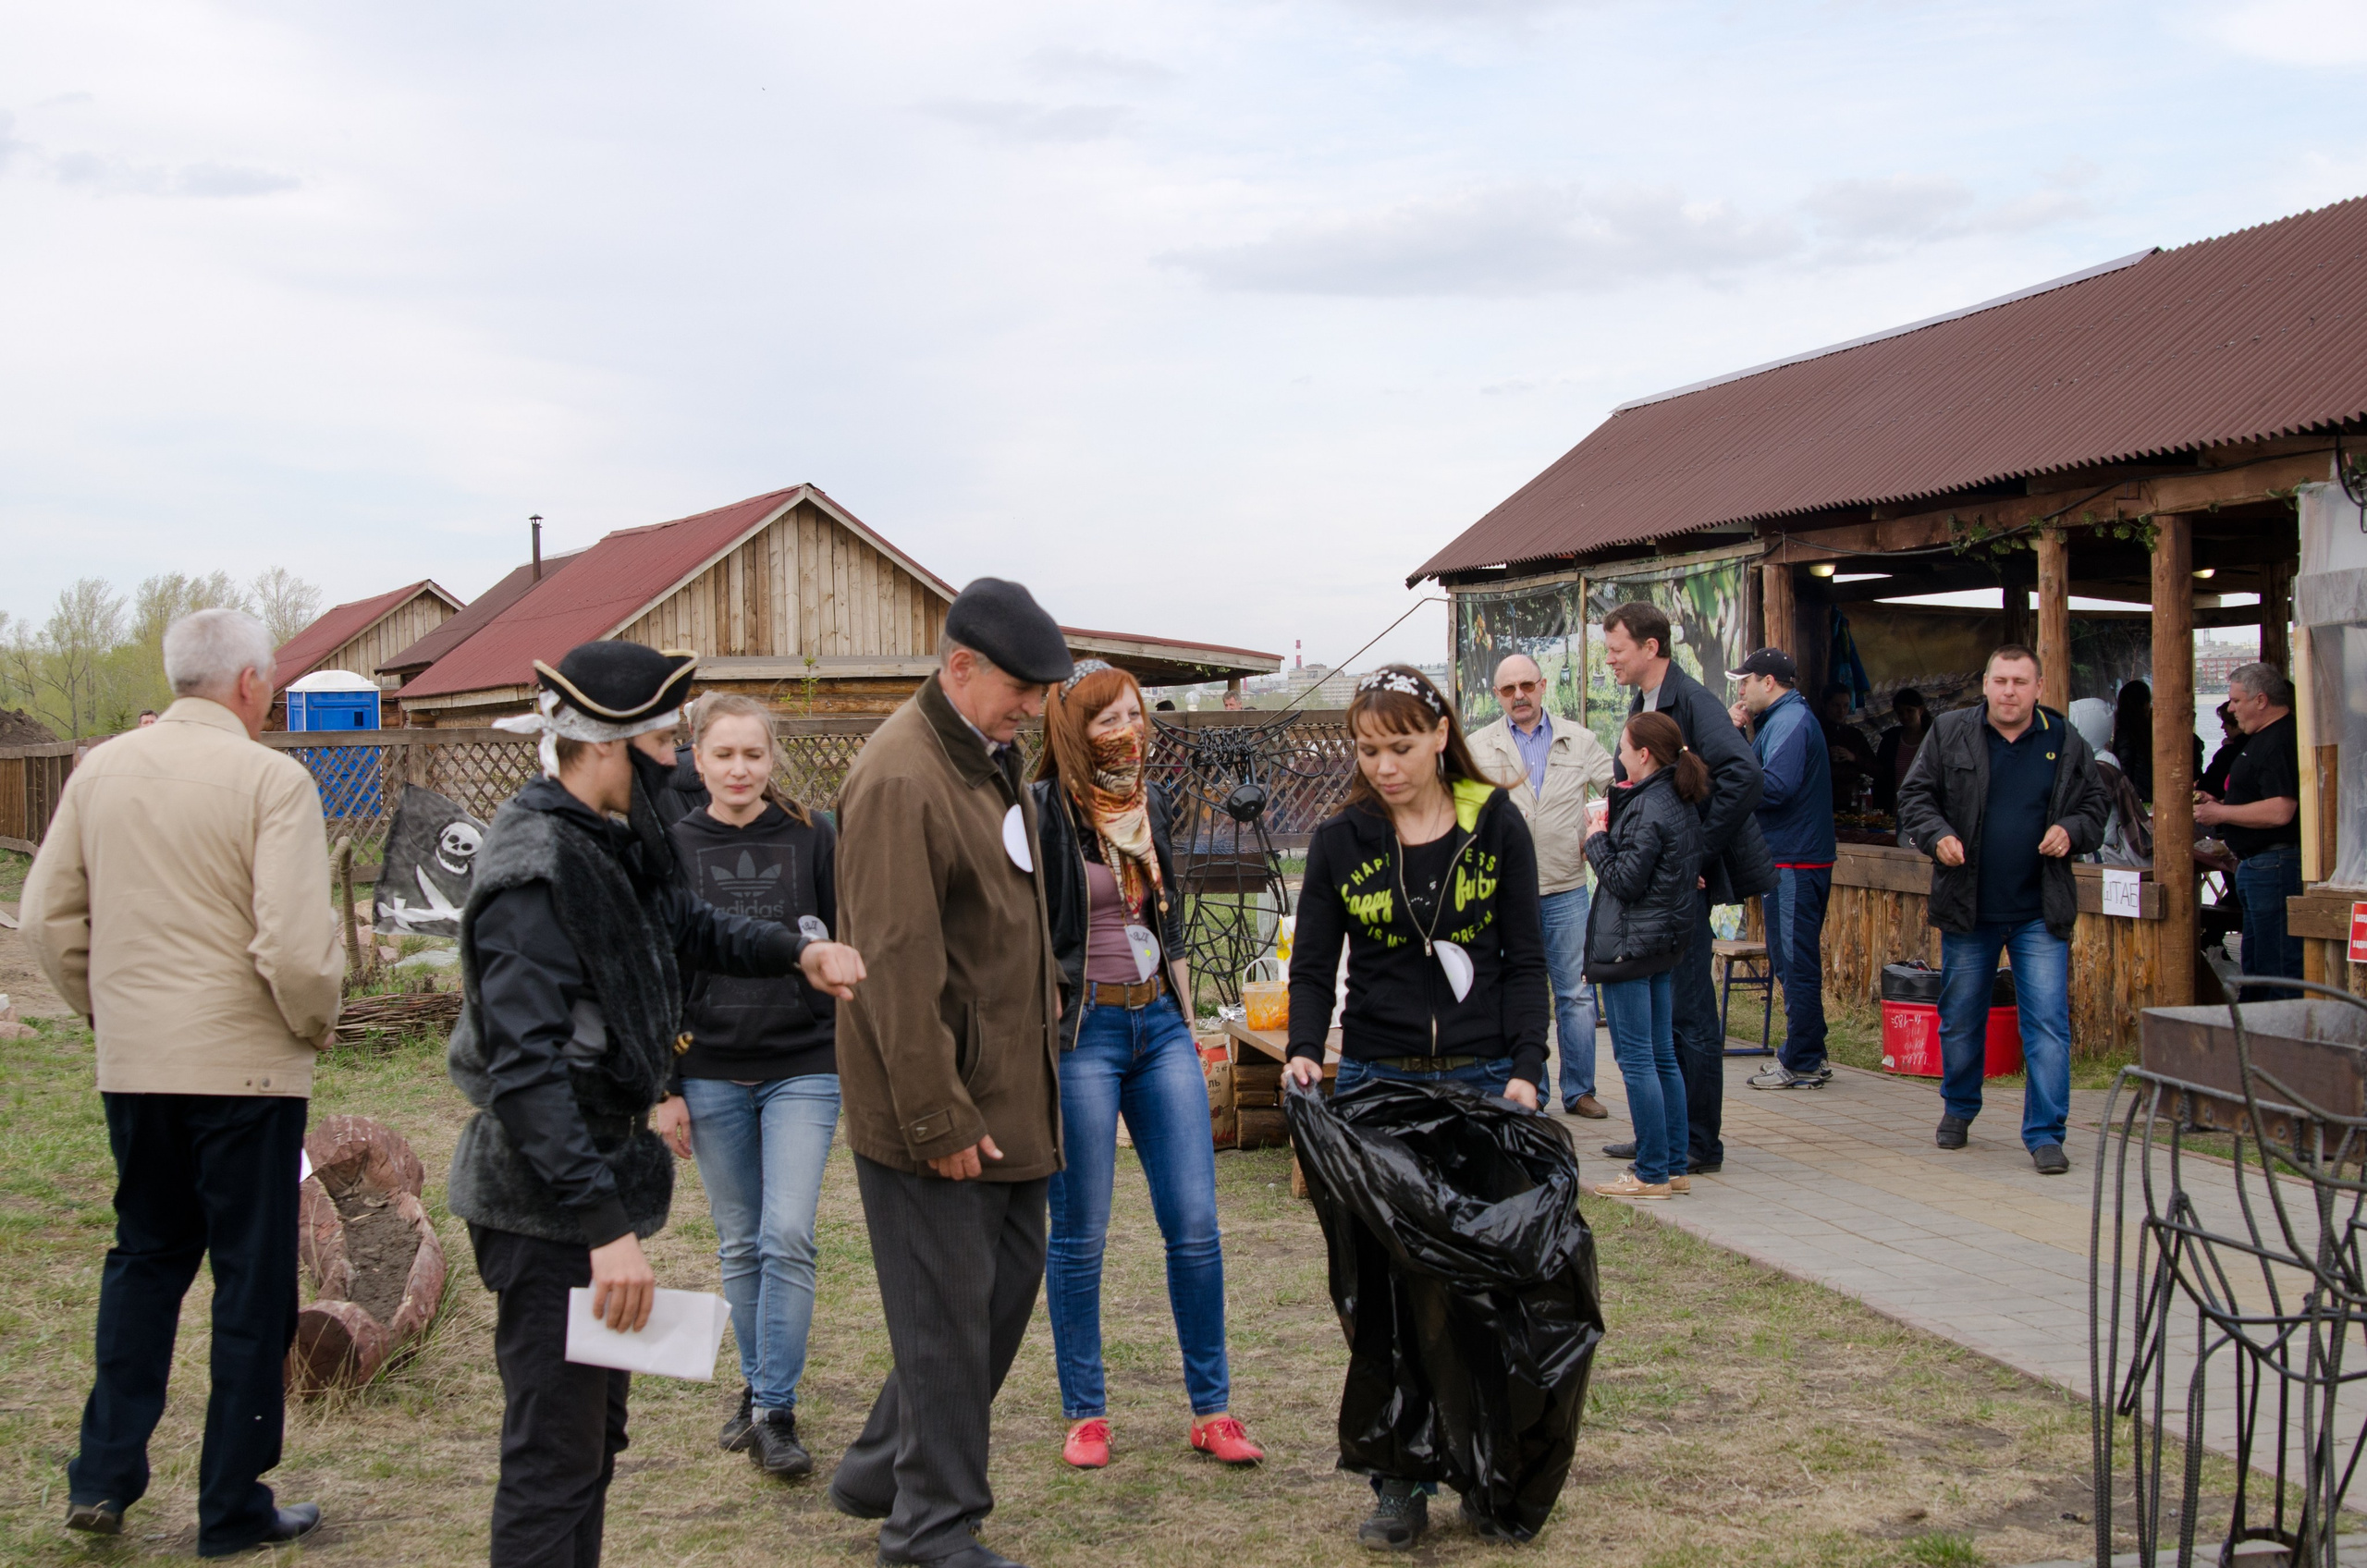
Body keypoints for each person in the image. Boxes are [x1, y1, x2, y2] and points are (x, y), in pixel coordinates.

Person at [447, 642, 862, 1568]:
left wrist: (796, 953)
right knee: (551, 1456)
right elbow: (525, 1073)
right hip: (541, 1209)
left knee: (591, 1445)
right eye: (667, 740)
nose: (679, 759)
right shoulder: (534, 867)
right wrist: (601, 1229)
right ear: (607, 743)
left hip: (587, 1200)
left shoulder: (611, 839)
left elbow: (690, 926)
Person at [23, 608, 340, 1556]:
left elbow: (44, 917)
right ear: (247, 682)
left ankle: (103, 1476)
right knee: (250, 1286)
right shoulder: (273, 779)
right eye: (273, 677)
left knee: (145, 1259)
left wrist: (104, 1008)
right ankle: (232, 1505)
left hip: (138, 1063)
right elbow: (292, 943)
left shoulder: (98, 771)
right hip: (246, 1068)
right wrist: (314, 1019)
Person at [828, 579, 1072, 1568]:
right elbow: (892, 965)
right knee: (944, 1322)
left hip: (1007, 1093)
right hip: (938, 1107)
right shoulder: (902, 776)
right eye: (1022, 686)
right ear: (960, 665)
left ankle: (878, 1464)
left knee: (994, 1295)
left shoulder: (983, 756)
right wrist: (936, 1116)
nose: (1034, 707)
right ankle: (929, 1525)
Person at [1282, 662, 1548, 1551]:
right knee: (1391, 1292)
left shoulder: (1494, 821)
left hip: (1478, 1081)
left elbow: (1523, 957)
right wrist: (1306, 1052)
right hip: (1377, 1085)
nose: (1383, 766)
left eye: (1400, 747)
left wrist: (1526, 1066)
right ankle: (1399, 1478)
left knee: (1479, 1287)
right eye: (1368, 750)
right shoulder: (1341, 839)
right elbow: (1314, 966)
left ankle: (1484, 1466)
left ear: (1440, 735)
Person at [1031, 660, 1262, 1471]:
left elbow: (1156, 918)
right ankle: (1086, 1414)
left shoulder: (1150, 804)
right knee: (1081, 1234)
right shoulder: (1041, 814)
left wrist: (1185, 1002)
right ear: (1074, 728)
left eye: (1136, 713)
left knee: (1195, 1225)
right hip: (1085, 1031)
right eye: (1107, 718)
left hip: (1159, 1023)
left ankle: (1213, 1410)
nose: (1128, 728)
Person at [649, 694, 859, 1479]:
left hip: (803, 1064)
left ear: (774, 760)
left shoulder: (813, 838)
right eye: (724, 755)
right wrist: (665, 1085)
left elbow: (843, 938)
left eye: (755, 755)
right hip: (707, 1069)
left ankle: (775, 1407)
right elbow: (660, 969)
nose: (740, 770)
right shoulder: (670, 846)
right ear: (695, 758)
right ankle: (756, 1386)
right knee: (740, 1241)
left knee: (789, 1235)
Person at [1895, 645, 2108, 1176]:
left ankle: (2045, 1134)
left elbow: (2095, 807)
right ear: (1985, 685)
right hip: (1970, 907)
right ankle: (1960, 1107)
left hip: (2040, 907)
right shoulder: (1949, 733)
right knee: (1962, 1018)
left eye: (2020, 681)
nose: (2009, 691)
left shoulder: (2064, 739)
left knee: (2049, 1025)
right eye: (2000, 680)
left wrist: (2072, 830)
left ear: (2038, 688)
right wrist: (1937, 835)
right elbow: (1914, 797)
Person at [1597, 603, 1771, 1179]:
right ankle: (1664, 1136)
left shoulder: (1692, 699)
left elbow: (1743, 774)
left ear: (1650, 647)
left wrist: (1696, 850)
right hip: (1662, 889)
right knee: (1662, 1020)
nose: (1610, 658)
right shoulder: (1644, 701)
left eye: (1617, 647)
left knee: (1691, 1015)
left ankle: (1699, 1142)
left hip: (1682, 889)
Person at [1466, 652, 1614, 1119]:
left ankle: (1580, 1090)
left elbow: (1622, 789)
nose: (1519, 696)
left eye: (1527, 686)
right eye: (1508, 690)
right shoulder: (1477, 747)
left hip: (1566, 884)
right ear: (1497, 696)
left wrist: (1597, 831)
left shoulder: (1579, 739)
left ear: (1543, 685)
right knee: (1518, 991)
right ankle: (1534, 1090)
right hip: (1504, 893)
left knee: (1574, 992)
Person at [1584, 711, 1708, 1199]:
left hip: (1631, 947)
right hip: (1661, 944)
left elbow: (1624, 881)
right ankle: (1673, 1164)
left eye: (1622, 747)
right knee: (1661, 1057)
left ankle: (1651, 1171)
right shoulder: (1675, 799)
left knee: (1637, 1060)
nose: (1617, 756)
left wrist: (1596, 841)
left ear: (1644, 754)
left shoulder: (1648, 807)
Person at [1725, 649, 1836, 1091]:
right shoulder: (1783, 719)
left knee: (1793, 961)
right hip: (1793, 857)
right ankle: (1813, 1052)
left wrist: (1734, 744)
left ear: (1768, 682)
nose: (1739, 689)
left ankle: (1804, 1060)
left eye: (1744, 681)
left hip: (1795, 859)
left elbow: (1774, 788)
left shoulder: (1791, 722)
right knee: (1793, 958)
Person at [2195, 663, 2303, 998]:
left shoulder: (2280, 739)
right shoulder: (2259, 738)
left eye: (2236, 701)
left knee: (2277, 963)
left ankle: (2280, 1039)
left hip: (2275, 863)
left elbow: (2281, 809)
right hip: (2259, 865)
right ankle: (2253, 1038)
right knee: (2256, 962)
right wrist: (2220, 800)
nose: (2230, 708)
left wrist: (2222, 811)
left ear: (2260, 700)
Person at [1871, 689, 1929, 816]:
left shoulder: (1932, 739)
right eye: (1901, 713)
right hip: (1895, 809)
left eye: (1910, 711)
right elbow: (1882, 776)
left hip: (1924, 810)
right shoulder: (1890, 740)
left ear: (1920, 710)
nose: (1905, 716)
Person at [1819, 684, 1875, 811]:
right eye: (1836, 705)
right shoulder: (1816, 732)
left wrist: (1853, 758)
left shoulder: (1855, 735)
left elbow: (1876, 769)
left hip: (1850, 802)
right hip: (1820, 800)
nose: (1841, 711)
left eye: (1845, 705)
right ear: (1825, 705)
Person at [2200, 700, 2248, 799]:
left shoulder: (2229, 753)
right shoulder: (2257, 744)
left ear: (2237, 724)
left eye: (2225, 722)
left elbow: (2208, 786)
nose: (2222, 727)